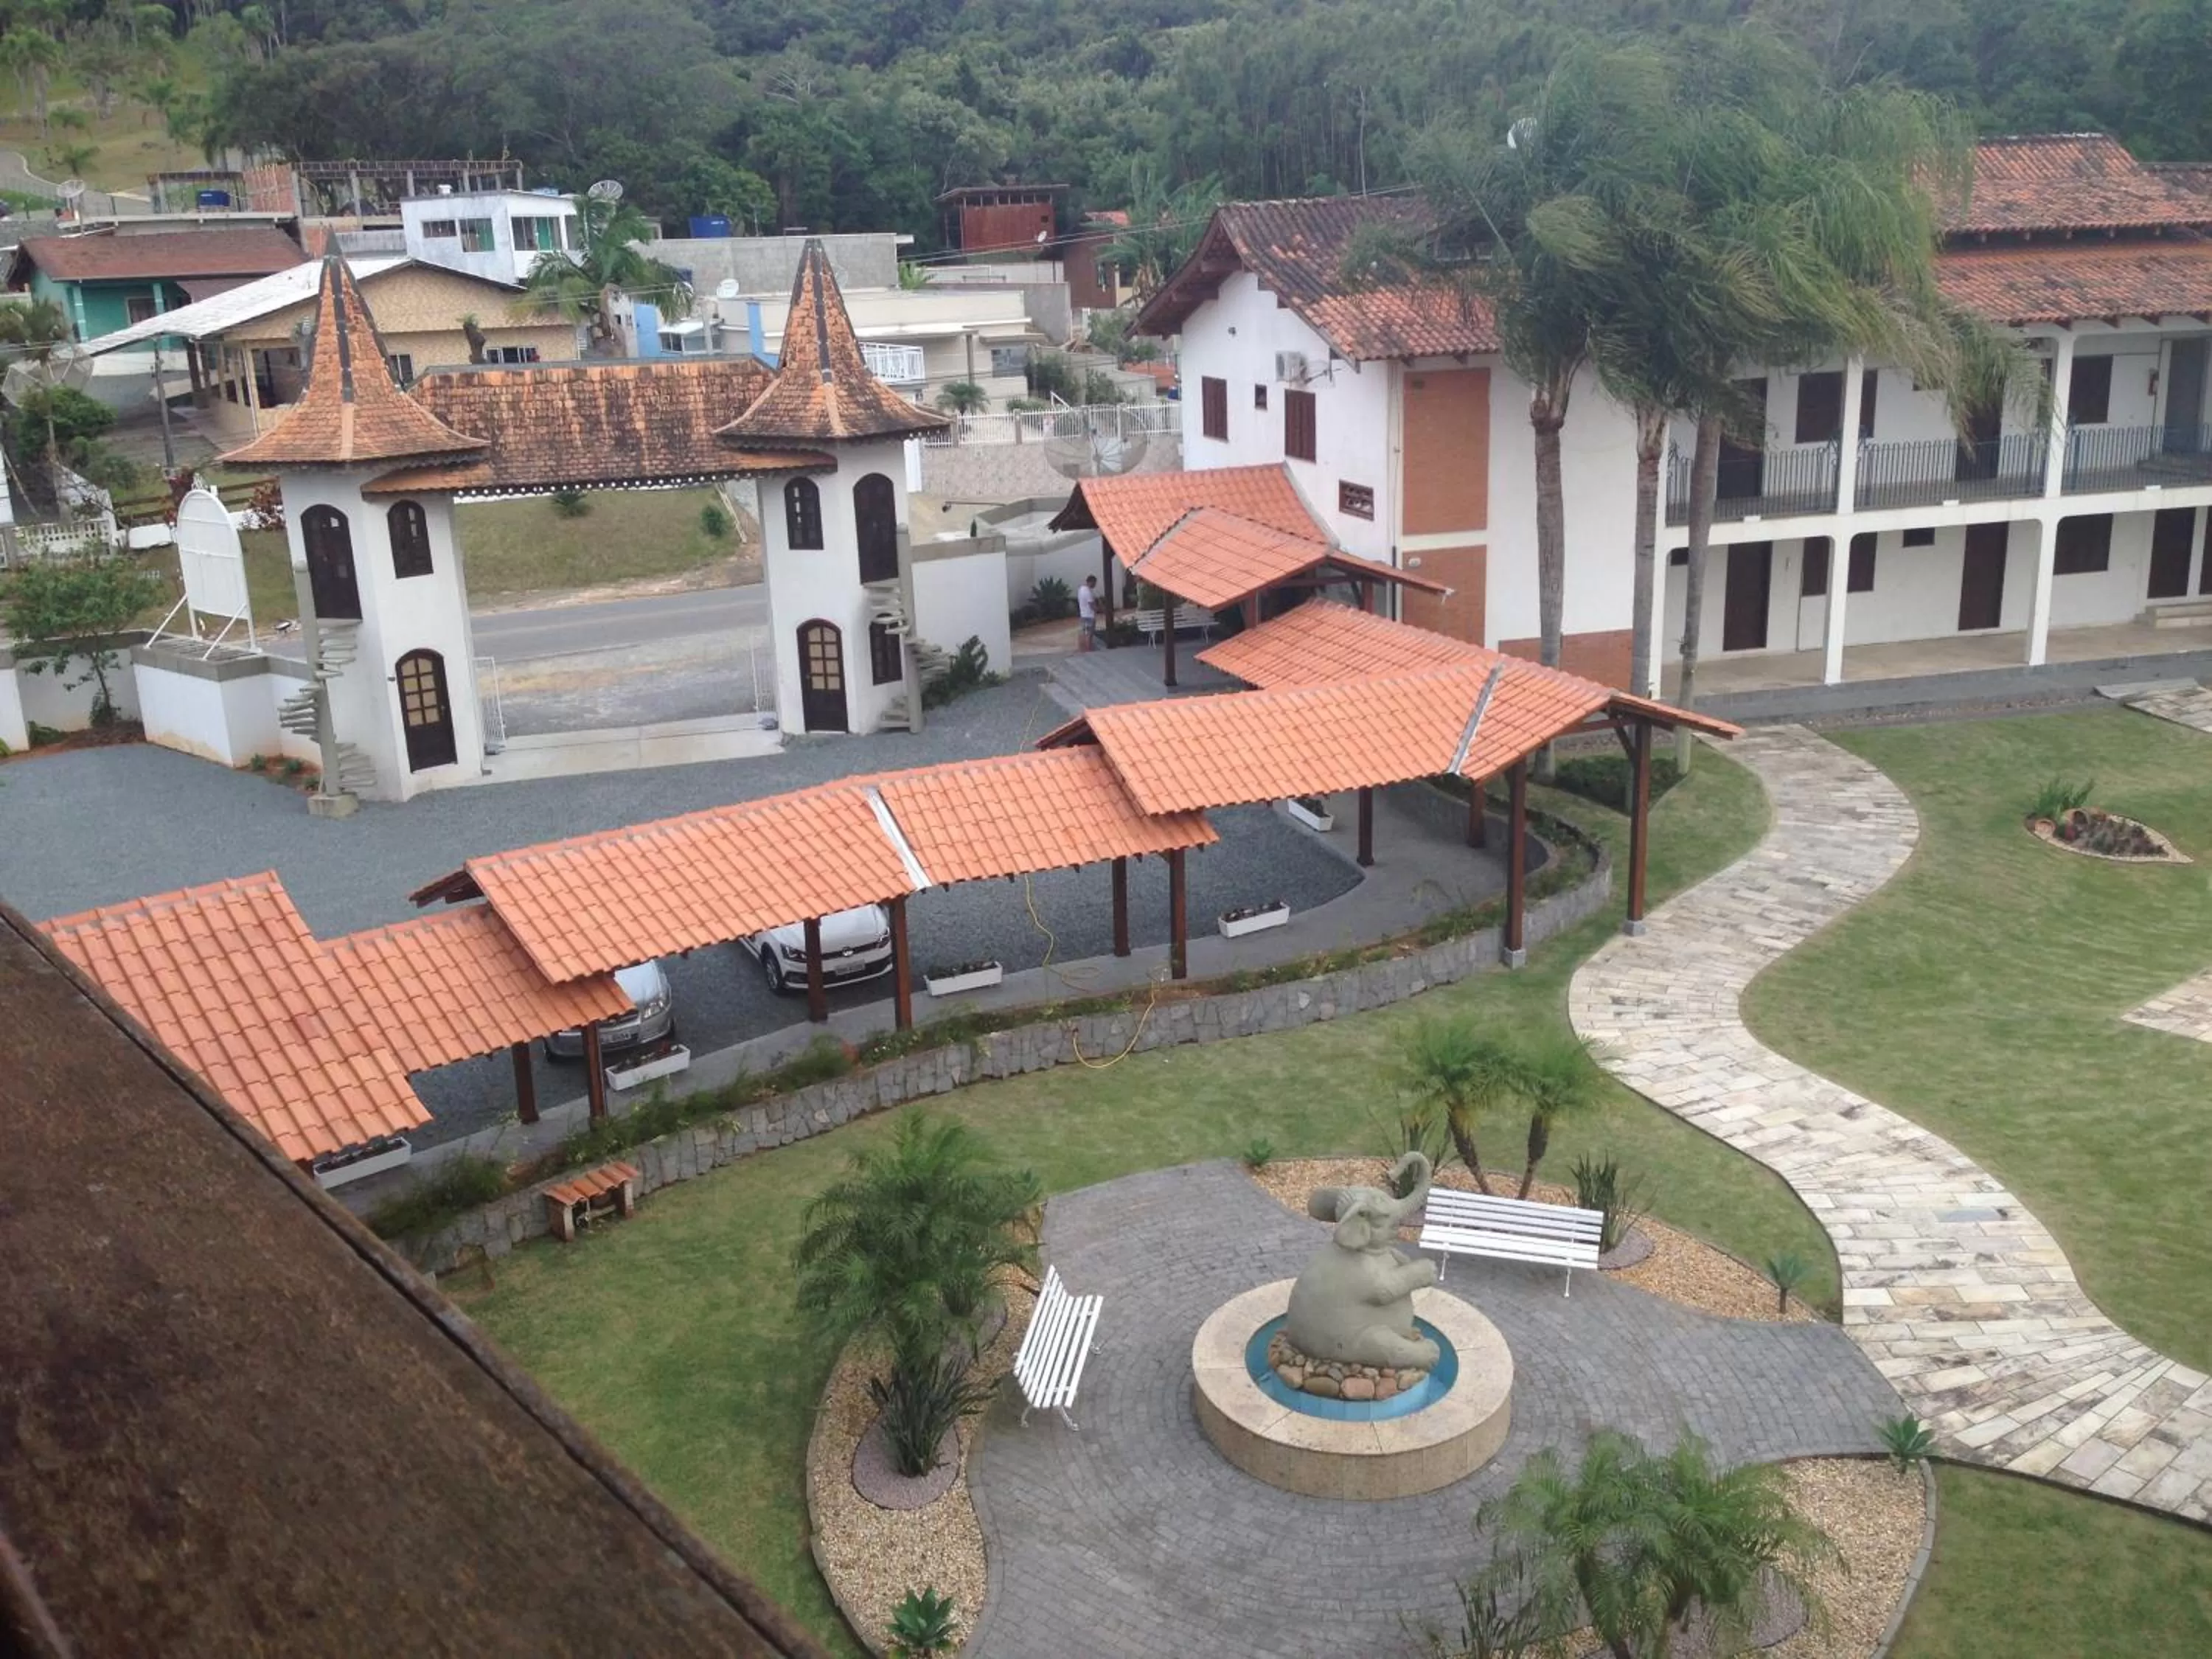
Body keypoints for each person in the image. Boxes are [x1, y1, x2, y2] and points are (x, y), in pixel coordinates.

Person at [1077, 574, 1099, 652]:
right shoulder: (1088, 592)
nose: (1095, 585)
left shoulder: (1081, 589)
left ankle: (1082, 649)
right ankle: (1089, 649)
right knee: (1090, 634)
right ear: (1091, 582)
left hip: (1083, 615)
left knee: (1083, 633)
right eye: (1095, 583)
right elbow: (1092, 605)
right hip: (1090, 616)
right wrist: (1099, 610)